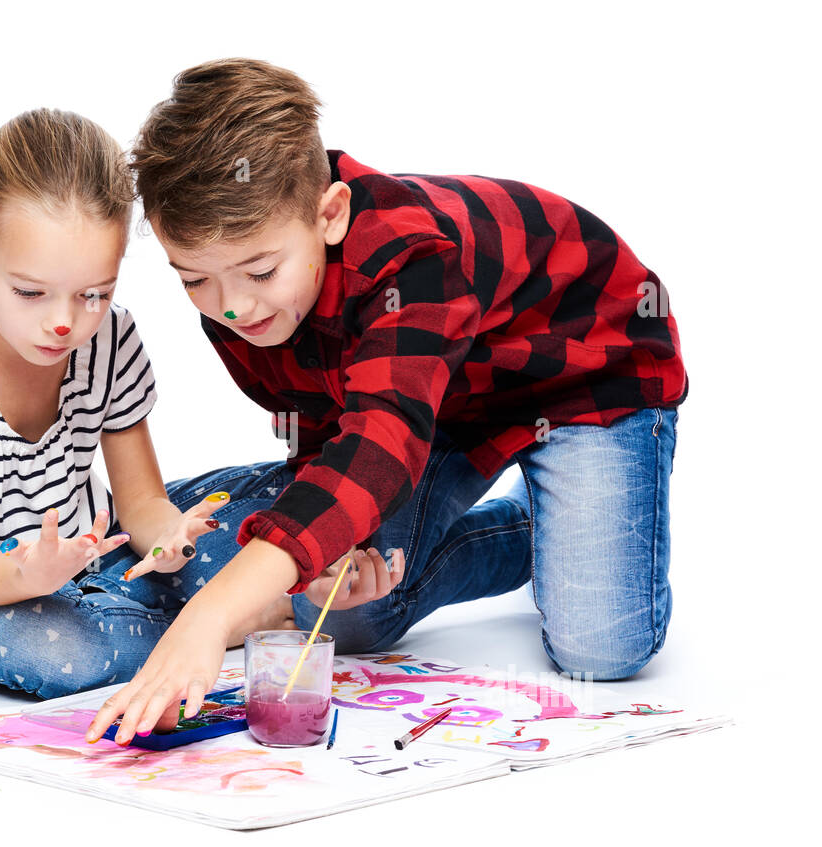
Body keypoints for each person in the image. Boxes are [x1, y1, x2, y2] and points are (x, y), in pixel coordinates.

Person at [87, 59, 686, 744]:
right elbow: (327, 423)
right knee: (349, 615)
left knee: (601, 652)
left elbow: (381, 442)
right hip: (437, 404)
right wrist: (335, 552)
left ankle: (579, 521)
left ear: (331, 214)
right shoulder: (239, 299)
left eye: (261, 270)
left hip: (584, 378)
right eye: (194, 278)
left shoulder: (413, 261)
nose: (233, 306)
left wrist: (210, 617)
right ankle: (536, 538)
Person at [0, 108, 292, 701]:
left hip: (78, 552)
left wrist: (170, 537)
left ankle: (185, 612)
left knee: (287, 521)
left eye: (94, 294)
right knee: (70, 657)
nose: (63, 323)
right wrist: (28, 575)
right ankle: (224, 623)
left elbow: (141, 503)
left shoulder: (108, 337)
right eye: (30, 292)